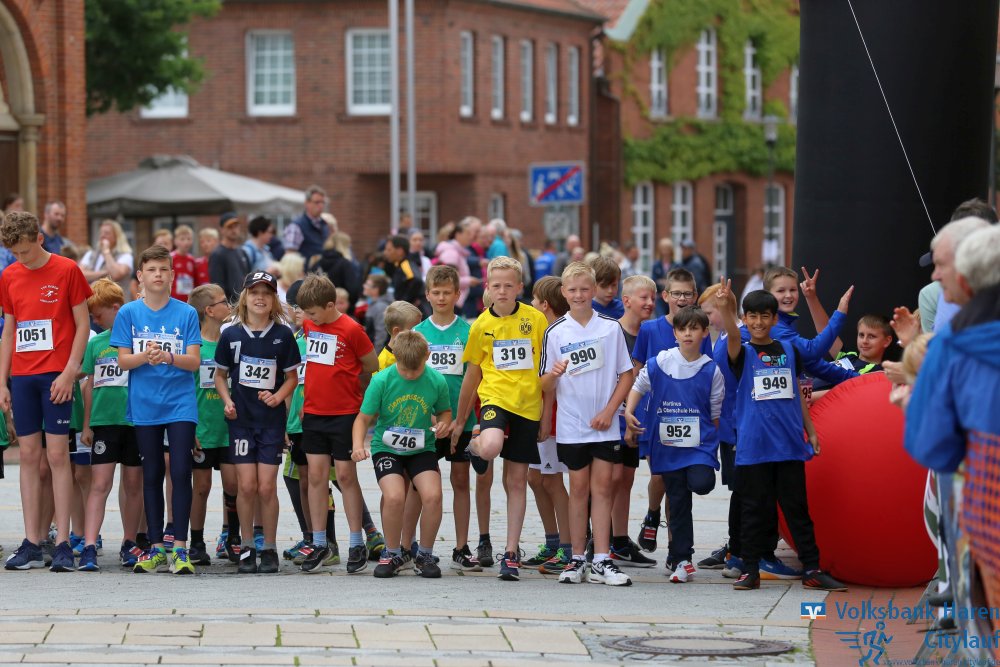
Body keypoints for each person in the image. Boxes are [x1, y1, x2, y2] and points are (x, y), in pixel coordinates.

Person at [717, 282, 847, 592]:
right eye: (752, 316)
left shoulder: (789, 350)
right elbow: (732, 335)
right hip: (754, 446)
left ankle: (812, 569)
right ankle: (750, 569)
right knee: (754, 510)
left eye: (765, 315)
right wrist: (725, 307)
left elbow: (797, 393)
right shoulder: (742, 351)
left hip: (789, 445)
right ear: (745, 319)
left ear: (775, 319)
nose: (758, 322)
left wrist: (811, 431)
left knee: (797, 510)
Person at [905, 224, 1000, 632]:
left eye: (941, 265)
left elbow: (931, 447)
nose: (934, 275)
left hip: (987, 519)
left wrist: (915, 403)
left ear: (965, 277)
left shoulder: (951, 348)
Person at [0, 211, 92, 572]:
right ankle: (31, 542)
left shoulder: (67, 269)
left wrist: (70, 371)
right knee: (28, 456)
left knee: (57, 456)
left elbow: (82, 324)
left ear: (39, 238)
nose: (20, 258)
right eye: (15, 253)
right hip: (23, 376)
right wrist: (2, 382)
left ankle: (64, 542)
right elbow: (9, 331)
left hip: (56, 375)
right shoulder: (10, 275)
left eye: (25, 251)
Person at [448, 256, 549, 581]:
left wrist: (546, 415)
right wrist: (461, 421)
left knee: (516, 482)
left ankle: (510, 552)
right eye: (496, 285)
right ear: (487, 288)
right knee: (490, 446)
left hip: (528, 406)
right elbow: (472, 376)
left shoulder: (535, 320)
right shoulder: (480, 325)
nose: (502, 291)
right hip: (494, 399)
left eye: (508, 285)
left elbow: (547, 369)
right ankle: (476, 447)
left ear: (519, 287)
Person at [539, 261, 635, 585]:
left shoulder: (610, 328)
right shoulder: (555, 331)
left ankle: (603, 559)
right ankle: (577, 557)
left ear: (593, 290)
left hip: (604, 425)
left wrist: (610, 411)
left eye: (584, 289)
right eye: (573, 290)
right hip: (571, 425)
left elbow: (626, 374)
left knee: (603, 488)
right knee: (578, 489)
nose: (579, 295)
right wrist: (553, 375)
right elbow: (544, 383)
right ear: (563, 292)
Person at [111, 245, 201, 575]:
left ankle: (180, 548)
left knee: (180, 471)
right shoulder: (128, 313)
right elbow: (123, 361)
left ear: (173, 275)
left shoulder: (186, 313)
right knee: (151, 474)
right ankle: (155, 548)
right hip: (145, 404)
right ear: (140, 276)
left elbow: (194, 361)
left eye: (163, 269)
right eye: (151, 270)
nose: (158, 275)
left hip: (180, 404)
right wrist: (145, 357)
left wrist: (168, 357)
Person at [625, 305, 723, 582]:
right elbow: (638, 386)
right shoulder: (660, 362)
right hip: (667, 445)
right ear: (675, 334)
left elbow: (715, 412)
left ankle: (679, 554)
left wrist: (709, 445)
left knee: (702, 483)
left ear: (705, 333)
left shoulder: (711, 370)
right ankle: (682, 559)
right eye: (682, 329)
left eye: (694, 328)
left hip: (698, 445)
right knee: (678, 500)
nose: (688, 333)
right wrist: (630, 412)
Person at [214, 271, 300, 574]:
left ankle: (269, 547)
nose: (260, 298)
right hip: (241, 421)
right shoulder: (231, 334)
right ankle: (247, 545)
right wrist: (227, 401)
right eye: (254, 292)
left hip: (270, 422)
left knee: (266, 487)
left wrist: (278, 398)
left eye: (266, 293)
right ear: (245, 297)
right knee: (246, 486)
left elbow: (292, 378)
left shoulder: (283, 335)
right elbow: (220, 375)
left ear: (274, 299)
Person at [352, 331, 451, 578]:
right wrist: (357, 445)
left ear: (427, 356)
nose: (409, 375)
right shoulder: (381, 380)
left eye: (415, 369)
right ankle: (392, 553)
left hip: (421, 448)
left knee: (433, 496)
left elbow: (445, 412)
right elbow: (363, 419)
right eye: (405, 369)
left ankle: (424, 554)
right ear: (395, 357)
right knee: (394, 496)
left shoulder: (436, 380)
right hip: (387, 448)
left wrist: (443, 424)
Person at [296, 274, 378, 573]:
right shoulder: (310, 325)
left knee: (345, 476)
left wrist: (353, 386)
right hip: (314, 412)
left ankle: (356, 542)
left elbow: (371, 364)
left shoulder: (352, 329)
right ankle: (320, 542)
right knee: (316, 477)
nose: (310, 317)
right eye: (307, 313)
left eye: (314, 312)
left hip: (345, 413)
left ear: (331, 306)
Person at [632, 268, 711, 553]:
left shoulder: (701, 331)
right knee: (661, 476)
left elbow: (706, 372)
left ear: (695, 296)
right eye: (676, 293)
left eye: (687, 294)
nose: (681, 299)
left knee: (677, 483)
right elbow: (636, 370)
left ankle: (675, 548)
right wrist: (630, 410)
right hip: (655, 415)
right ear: (665, 296)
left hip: (688, 415)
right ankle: (653, 514)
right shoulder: (650, 329)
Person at [414, 265, 486, 571]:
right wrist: (432, 419)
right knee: (419, 484)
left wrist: (460, 420)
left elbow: (475, 379)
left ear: (458, 294)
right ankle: (412, 545)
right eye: (436, 292)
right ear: (428, 295)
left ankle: (461, 546)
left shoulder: (468, 332)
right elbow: (413, 379)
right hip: (426, 422)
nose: (442, 298)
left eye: (447, 292)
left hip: (461, 420)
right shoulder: (418, 333)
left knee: (460, 480)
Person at [77, 279, 143, 571]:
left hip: (135, 421)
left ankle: (130, 542)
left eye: (98, 315)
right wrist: (87, 425)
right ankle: (90, 544)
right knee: (100, 483)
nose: (95, 320)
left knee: (133, 483)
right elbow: (90, 384)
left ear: (116, 308)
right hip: (104, 423)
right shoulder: (96, 343)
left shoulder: (138, 340)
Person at [187, 284, 239, 564]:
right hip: (203, 429)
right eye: (223, 302)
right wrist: (190, 427)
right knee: (202, 486)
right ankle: (196, 542)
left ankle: (232, 538)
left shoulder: (230, 341)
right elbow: (186, 389)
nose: (229, 306)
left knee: (233, 484)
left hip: (229, 428)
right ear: (209, 310)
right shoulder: (194, 346)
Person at [523, 276, 572, 573]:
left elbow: (551, 383)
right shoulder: (542, 332)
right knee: (535, 478)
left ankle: (567, 546)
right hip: (538, 411)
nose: (530, 304)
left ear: (544, 305)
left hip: (551, 416)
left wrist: (544, 420)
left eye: (534, 299)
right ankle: (552, 541)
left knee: (552, 480)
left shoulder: (556, 333)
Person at [610, 275, 658, 569]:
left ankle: (619, 541)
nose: (650, 303)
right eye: (644, 298)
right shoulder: (611, 332)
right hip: (612, 418)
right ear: (626, 300)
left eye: (653, 298)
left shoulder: (651, 333)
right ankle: (598, 540)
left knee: (626, 480)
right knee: (611, 479)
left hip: (638, 418)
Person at [79, 220, 134, 301]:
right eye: (101, 233)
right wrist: (103, 272)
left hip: (117, 303)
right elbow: (80, 275)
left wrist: (106, 251)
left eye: (107, 233)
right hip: (93, 302)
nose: (102, 236)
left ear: (116, 236)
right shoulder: (91, 253)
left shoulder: (126, 255)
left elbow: (115, 274)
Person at [434, 218, 480, 310]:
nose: (471, 237)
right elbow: (446, 279)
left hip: (456, 299)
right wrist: (468, 281)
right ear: (458, 234)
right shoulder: (451, 252)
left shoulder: (457, 251)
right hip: (453, 300)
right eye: (467, 234)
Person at [310, 232, 360, 312]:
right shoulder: (345, 264)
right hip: (340, 310)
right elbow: (353, 290)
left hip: (319, 309)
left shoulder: (317, 263)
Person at [210, 212, 252, 302]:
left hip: (243, 304)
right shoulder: (217, 254)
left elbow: (248, 279)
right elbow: (217, 287)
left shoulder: (243, 253)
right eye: (230, 227)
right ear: (222, 230)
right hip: (229, 305)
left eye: (236, 226)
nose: (234, 230)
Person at [284, 186, 332, 261]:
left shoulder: (325, 225)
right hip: (306, 268)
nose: (321, 206)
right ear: (307, 203)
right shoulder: (296, 226)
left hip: (323, 267)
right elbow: (290, 257)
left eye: (323, 202)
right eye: (317, 202)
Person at [377, 301, 422, 371]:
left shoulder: (414, 352)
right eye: (413, 329)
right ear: (397, 332)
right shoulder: (384, 363)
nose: (419, 332)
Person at [383, 235, 424, 307]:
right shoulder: (398, 264)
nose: (385, 253)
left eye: (389, 250)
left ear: (400, 251)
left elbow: (416, 280)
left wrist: (404, 302)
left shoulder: (405, 264)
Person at [363, 274, 392, 351]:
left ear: (376, 289)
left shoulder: (380, 307)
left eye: (367, 284)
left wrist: (376, 355)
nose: (364, 286)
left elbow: (381, 334)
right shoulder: (374, 303)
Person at [170, 225, 197, 303]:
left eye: (189, 239)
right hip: (173, 299)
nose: (186, 242)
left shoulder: (192, 260)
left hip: (188, 300)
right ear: (175, 241)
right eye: (182, 239)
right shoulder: (171, 258)